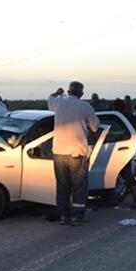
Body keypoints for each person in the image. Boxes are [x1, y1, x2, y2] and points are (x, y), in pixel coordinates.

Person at [48, 81, 100, 226]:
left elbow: (49, 99)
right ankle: (77, 216)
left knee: (62, 186)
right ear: (82, 94)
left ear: (68, 91)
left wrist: (57, 92)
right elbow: (95, 128)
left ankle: (63, 216)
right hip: (77, 152)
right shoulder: (85, 106)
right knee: (79, 186)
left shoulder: (59, 103)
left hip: (59, 152)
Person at [112, 99, 136, 209]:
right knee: (122, 174)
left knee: (127, 173)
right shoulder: (116, 117)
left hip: (123, 149)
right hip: (113, 149)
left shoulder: (123, 117)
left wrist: (134, 143)